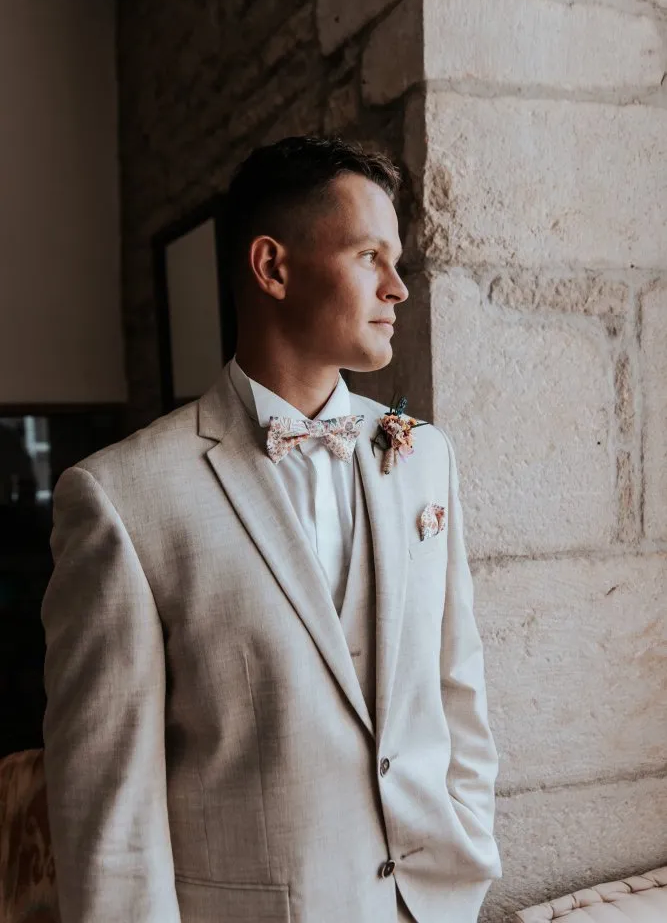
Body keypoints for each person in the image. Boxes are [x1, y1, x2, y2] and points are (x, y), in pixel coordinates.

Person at [41, 136, 502, 923]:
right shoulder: (122, 497)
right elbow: (110, 815)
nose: (397, 288)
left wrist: (468, 843)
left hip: (431, 906)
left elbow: (456, 681)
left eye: (395, 261)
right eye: (369, 256)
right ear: (272, 268)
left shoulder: (424, 456)